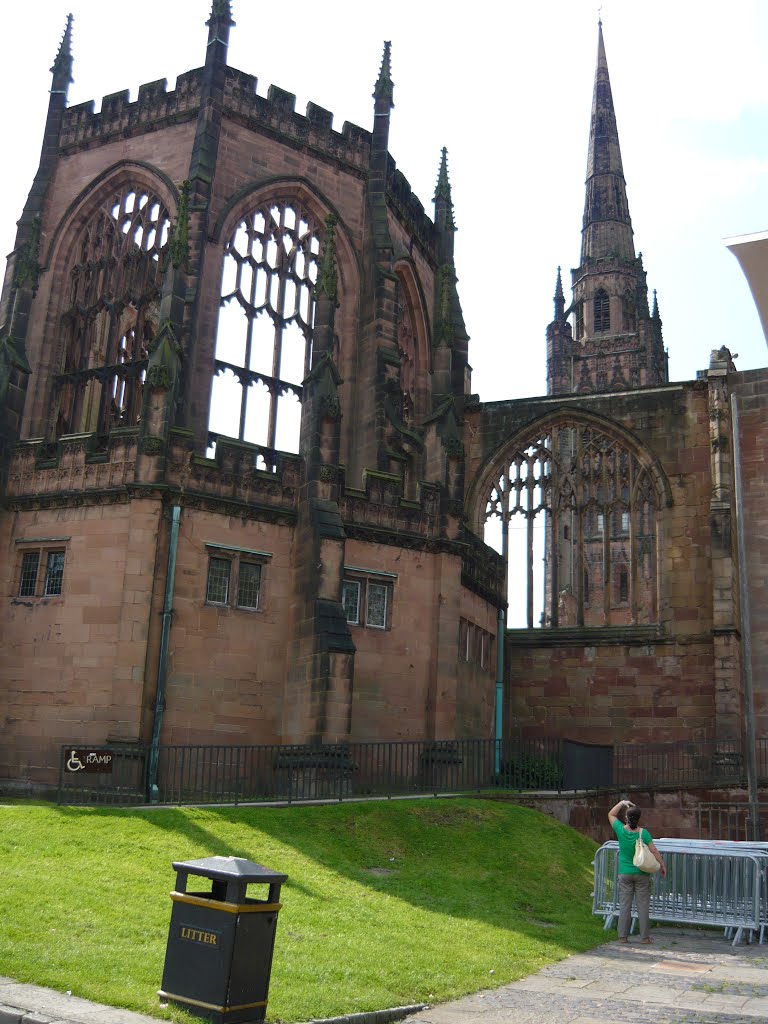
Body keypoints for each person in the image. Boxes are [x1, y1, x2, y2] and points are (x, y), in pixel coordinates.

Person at [608, 798, 666, 943]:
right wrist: (662, 865)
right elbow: (654, 851)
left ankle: (622, 937)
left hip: (625, 872)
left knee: (625, 906)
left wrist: (622, 803)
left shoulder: (620, 830)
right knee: (643, 906)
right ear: (639, 819)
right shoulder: (644, 833)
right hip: (642, 873)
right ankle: (645, 937)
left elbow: (611, 814)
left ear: (626, 818)